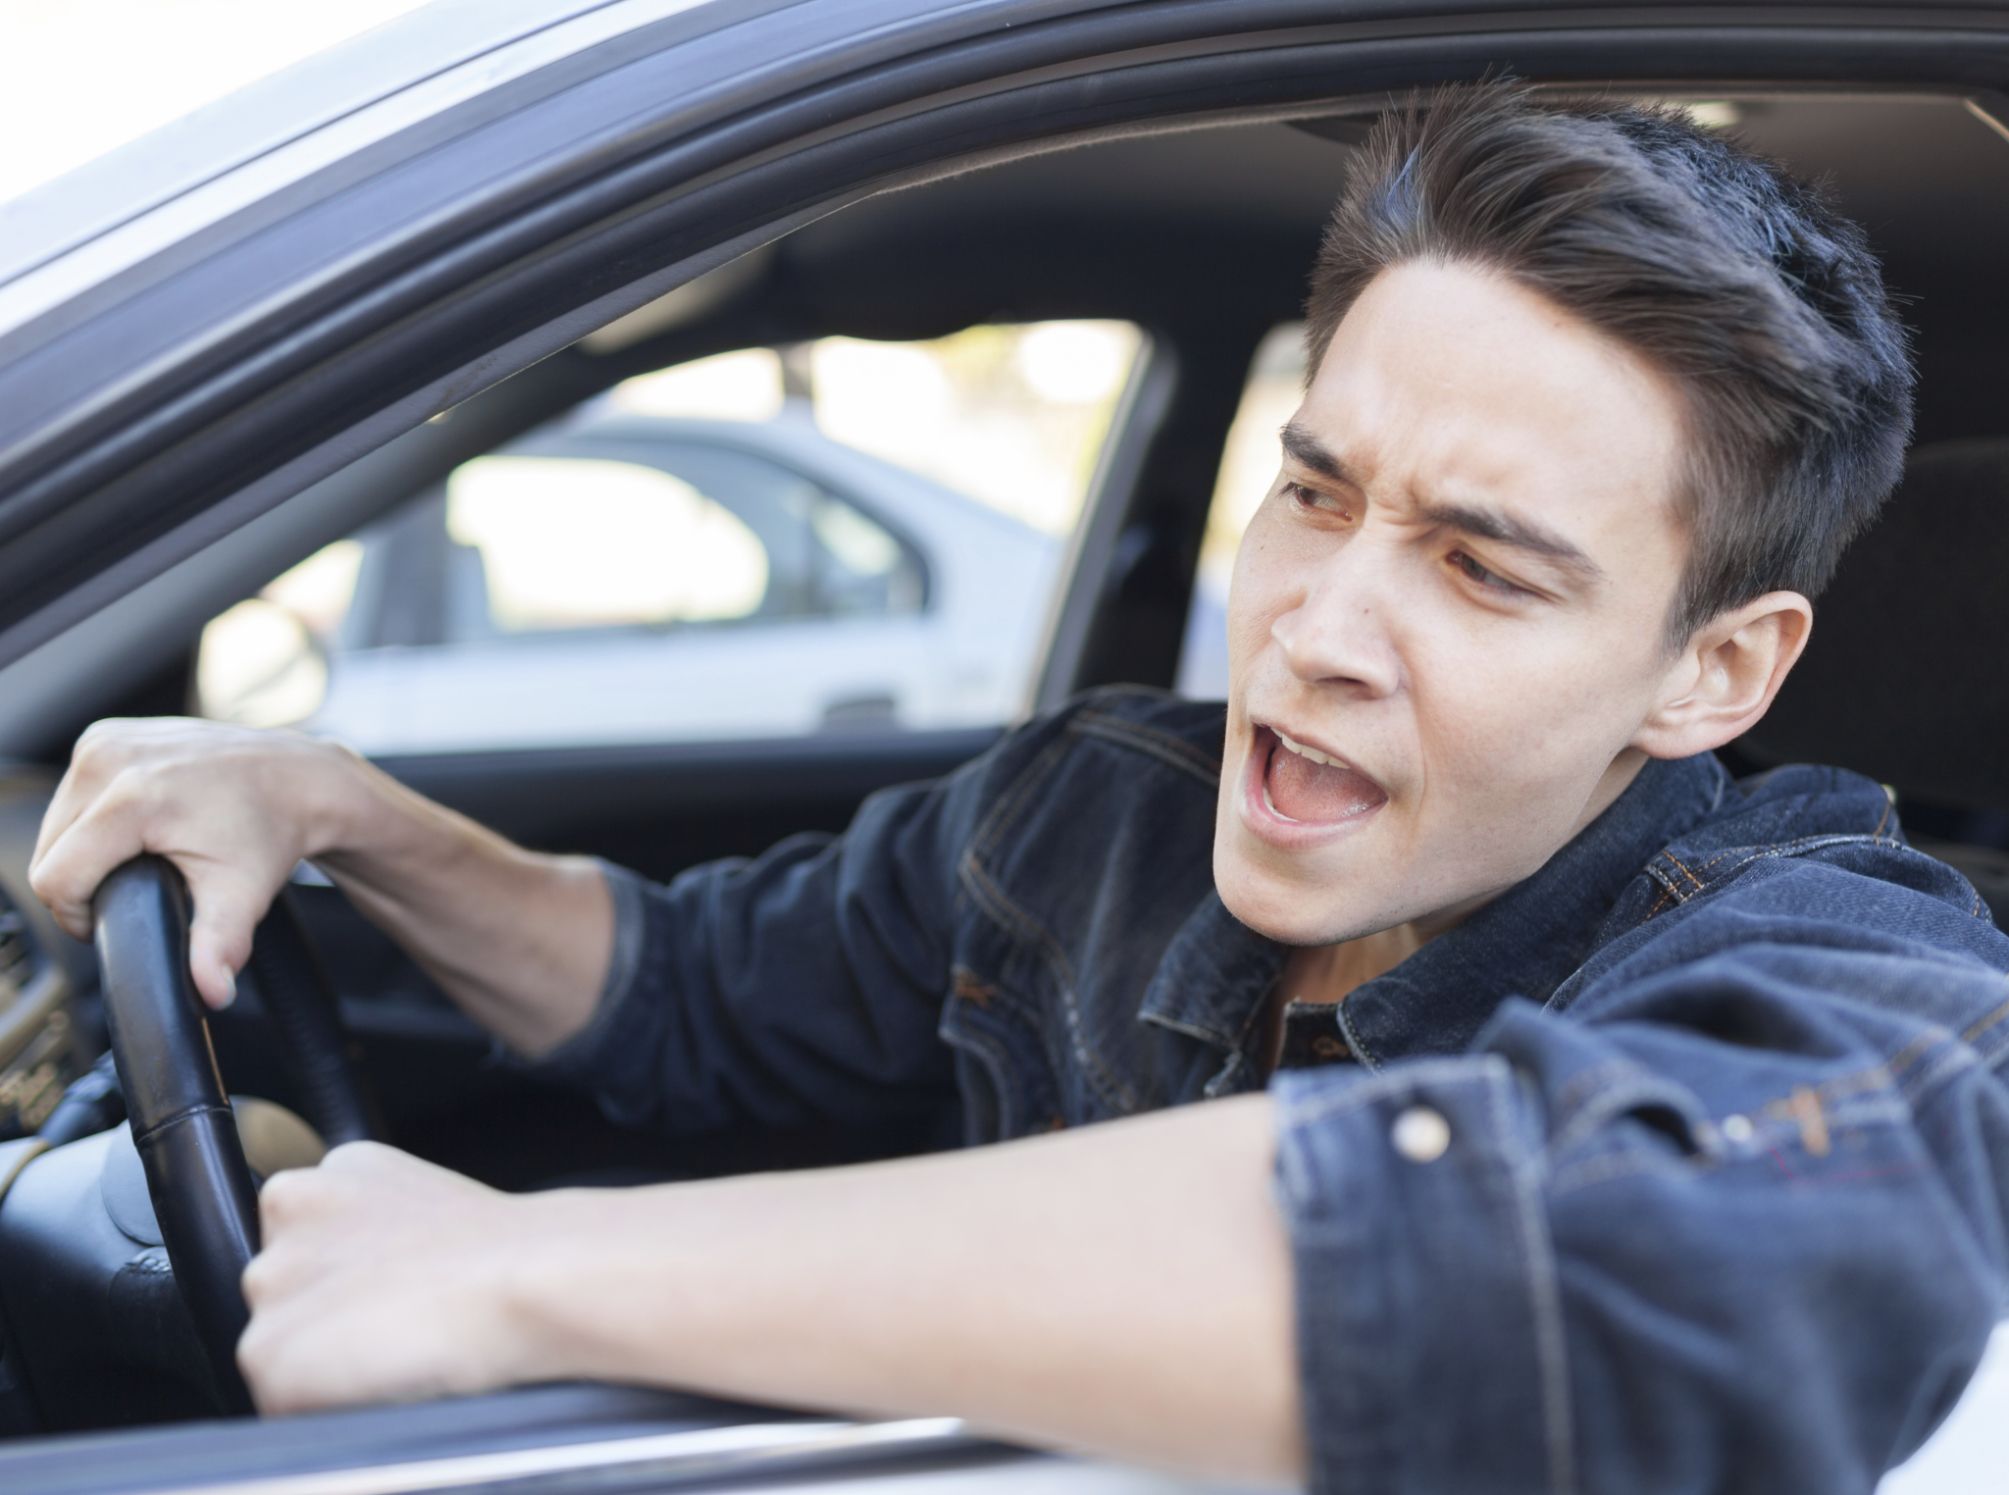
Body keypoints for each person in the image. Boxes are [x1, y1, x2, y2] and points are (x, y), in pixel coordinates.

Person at [27, 83, 2009, 1493]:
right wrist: (343, 807)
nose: (1317, 622)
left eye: (1482, 566)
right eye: (1315, 491)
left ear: (1709, 670)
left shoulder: (1845, 951)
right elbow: (675, 989)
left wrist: (523, 1273)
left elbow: (1618, 1256)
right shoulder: (1101, 812)